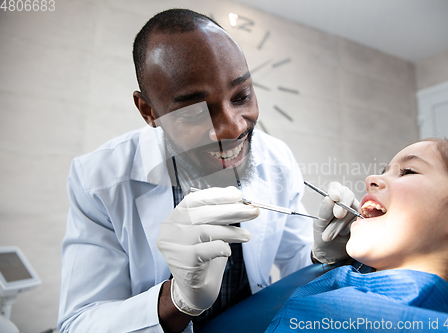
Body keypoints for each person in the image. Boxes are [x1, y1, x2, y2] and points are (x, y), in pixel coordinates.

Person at [57, 9, 356, 333]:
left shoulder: (276, 158)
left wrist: (322, 256)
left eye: (242, 96)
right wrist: (178, 298)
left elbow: (293, 261)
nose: (232, 128)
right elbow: (78, 323)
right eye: (193, 113)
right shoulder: (99, 179)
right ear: (149, 111)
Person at [265, 138, 448, 332]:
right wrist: (328, 263)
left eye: (407, 171)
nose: (370, 180)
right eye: (383, 171)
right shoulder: (341, 286)